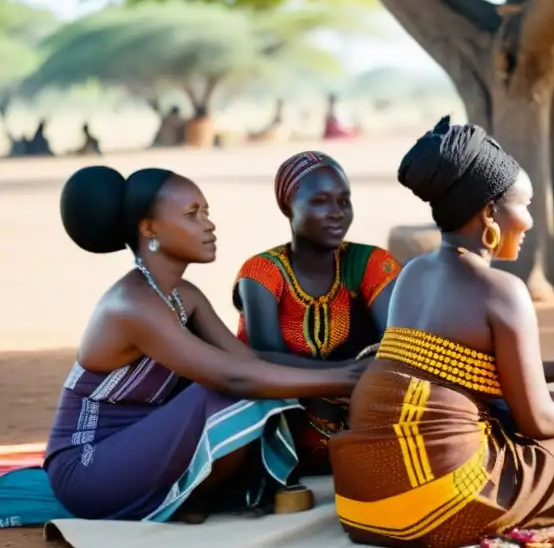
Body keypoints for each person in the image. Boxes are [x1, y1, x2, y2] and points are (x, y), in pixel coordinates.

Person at [329, 117, 554, 548]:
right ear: (490, 211)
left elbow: (461, 368)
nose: (530, 221)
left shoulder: (412, 274)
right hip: (435, 506)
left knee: (532, 413)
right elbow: (537, 420)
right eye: (525, 205)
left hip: (364, 501)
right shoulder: (502, 291)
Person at [45, 166, 365, 523]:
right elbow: (235, 379)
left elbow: (250, 360)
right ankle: (193, 497)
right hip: (87, 467)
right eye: (192, 214)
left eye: (206, 212)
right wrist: (348, 379)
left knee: (261, 383)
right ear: (149, 228)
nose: (209, 225)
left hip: (144, 447)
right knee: (226, 390)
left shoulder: (184, 296)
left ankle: (196, 496)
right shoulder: (130, 307)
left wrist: (344, 371)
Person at [233, 151, 402, 475]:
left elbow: (397, 344)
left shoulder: (369, 263)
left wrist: (360, 379)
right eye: (321, 201)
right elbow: (266, 355)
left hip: (357, 413)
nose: (337, 213)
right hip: (282, 419)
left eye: (344, 201)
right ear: (287, 207)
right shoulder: (262, 272)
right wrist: (343, 376)